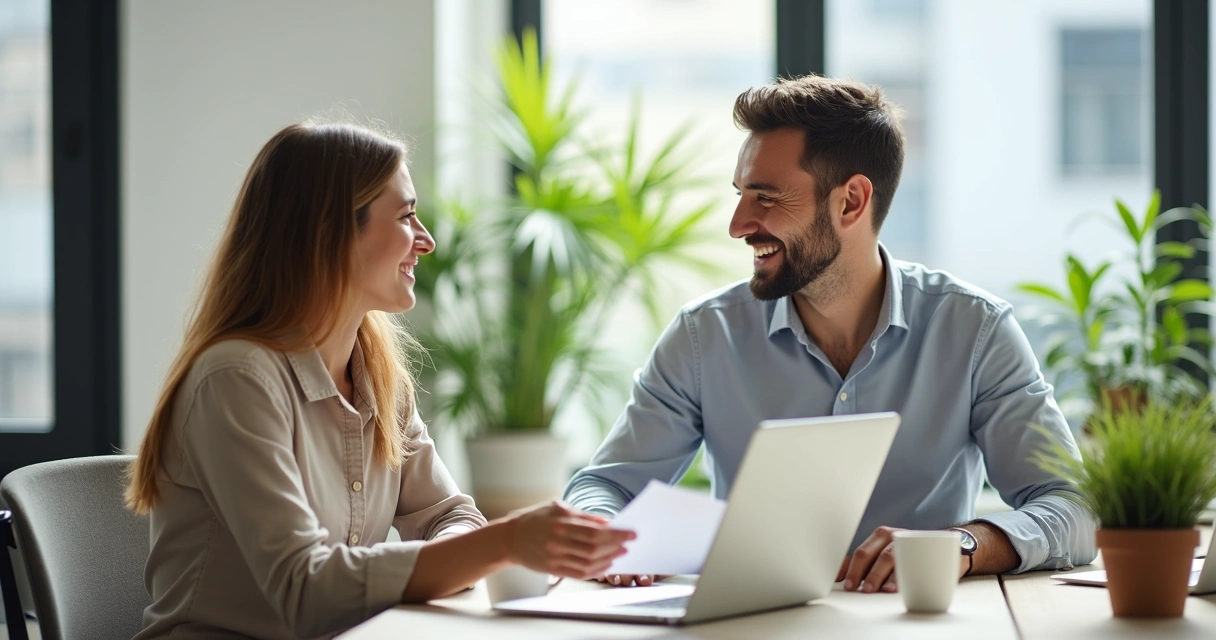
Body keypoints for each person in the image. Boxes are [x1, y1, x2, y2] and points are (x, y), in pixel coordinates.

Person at [565, 75, 1096, 592]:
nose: (738, 224)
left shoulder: (975, 330)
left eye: (766, 198)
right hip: (753, 628)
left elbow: (1074, 507)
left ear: (851, 202)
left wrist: (961, 544)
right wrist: (610, 536)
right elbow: (603, 486)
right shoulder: (704, 337)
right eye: (741, 195)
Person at [125, 122, 633, 639]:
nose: (427, 241)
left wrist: (479, 545)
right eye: (408, 216)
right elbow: (307, 591)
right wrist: (503, 545)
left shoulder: (379, 377)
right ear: (331, 232)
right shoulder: (236, 381)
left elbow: (450, 515)